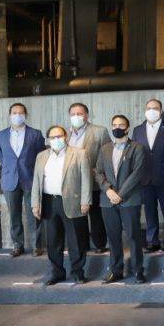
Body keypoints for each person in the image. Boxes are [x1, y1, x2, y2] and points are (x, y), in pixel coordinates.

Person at [31, 126, 91, 285]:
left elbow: (86, 180)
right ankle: (57, 273)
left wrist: (86, 201)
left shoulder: (79, 154)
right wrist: (35, 204)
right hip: (49, 202)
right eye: (53, 137)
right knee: (53, 241)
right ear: (48, 140)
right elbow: (36, 181)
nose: (56, 139)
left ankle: (78, 272)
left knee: (76, 240)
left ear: (66, 136)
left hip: (73, 202)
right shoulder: (41, 156)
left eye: (59, 136)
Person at [95, 115, 147, 284]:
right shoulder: (104, 149)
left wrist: (120, 195)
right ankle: (116, 270)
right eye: (114, 125)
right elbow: (98, 172)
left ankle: (138, 270)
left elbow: (137, 173)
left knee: (133, 236)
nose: (117, 128)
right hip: (108, 200)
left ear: (127, 128)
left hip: (129, 199)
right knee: (113, 237)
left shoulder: (137, 147)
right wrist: (108, 190)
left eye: (121, 125)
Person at [0, 103, 46, 257]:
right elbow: (1, 157)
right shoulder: (1, 135)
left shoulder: (35, 134)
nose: (17, 115)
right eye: (14, 112)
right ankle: (18, 245)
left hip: (30, 178)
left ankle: (36, 246)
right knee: (14, 215)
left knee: (34, 214)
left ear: (26, 115)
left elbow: (42, 156)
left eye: (21, 112)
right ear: (10, 115)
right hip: (9, 179)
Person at [132, 98, 164, 253]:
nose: (152, 111)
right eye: (149, 108)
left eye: (155, 108)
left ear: (161, 111)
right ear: (145, 110)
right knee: (150, 212)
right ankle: (152, 241)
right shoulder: (138, 130)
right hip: (145, 179)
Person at [67, 102, 111, 253]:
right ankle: (82, 245)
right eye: (73, 114)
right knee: (77, 216)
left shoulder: (99, 131)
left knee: (96, 215)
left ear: (86, 115)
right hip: (73, 183)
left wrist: (98, 172)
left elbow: (107, 154)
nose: (76, 116)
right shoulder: (65, 134)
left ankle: (100, 244)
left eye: (79, 113)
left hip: (94, 181)